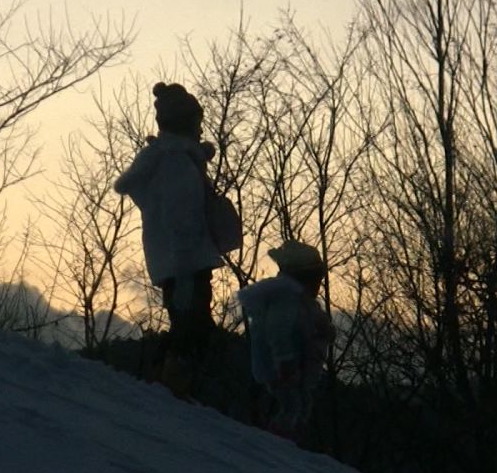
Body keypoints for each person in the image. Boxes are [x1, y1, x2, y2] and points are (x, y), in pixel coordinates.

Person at [114, 82, 222, 398]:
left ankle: (169, 385)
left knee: (191, 324)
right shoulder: (175, 161)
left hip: (176, 257)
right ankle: (169, 388)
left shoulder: (171, 157)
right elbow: (181, 213)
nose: (201, 128)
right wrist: (187, 258)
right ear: (186, 123)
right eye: (196, 122)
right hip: (184, 258)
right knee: (193, 328)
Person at [237, 240, 336, 443]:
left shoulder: (301, 302)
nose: (319, 284)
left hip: (297, 368)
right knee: (292, 407)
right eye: (316, 278)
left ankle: (288, 442)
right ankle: (279, 444)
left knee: (299, 406)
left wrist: (324, 330)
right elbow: (278, 331)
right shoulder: (286, 301)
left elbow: (311, 325)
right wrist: (285, 360)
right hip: (285, 368)